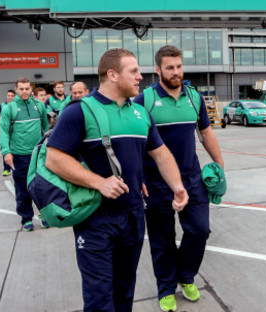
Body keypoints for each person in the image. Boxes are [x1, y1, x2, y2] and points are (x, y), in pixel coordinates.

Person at [46, 48, 189, 312]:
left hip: (133, 216)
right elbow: (53, 159)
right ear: (112, 75)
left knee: (124, 292)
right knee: (100, 300)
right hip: (95, 220)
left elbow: (160, 154)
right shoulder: (80, 111)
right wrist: (99, 182)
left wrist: (178, 187)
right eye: (133, 71)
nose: (140, 77)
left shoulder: (140, 114)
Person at [133, 45, 225, 312]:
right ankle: (165, 288)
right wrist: (137, 176)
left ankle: (186, 276)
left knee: (199, 230)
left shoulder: (194, 98)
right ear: (158, 69)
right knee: (162, 239)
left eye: (179, 66)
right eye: (170, 67)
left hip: (192, 177)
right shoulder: (145, 100)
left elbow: (206, 133)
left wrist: (219, 165)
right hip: (155, 183)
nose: (176, 72)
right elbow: (135, 142)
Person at [0, 78, 49, 231]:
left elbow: (45, 128)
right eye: (21, 89)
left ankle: (44, 215)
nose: (25, 92)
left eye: (27, 89)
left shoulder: (39, 106)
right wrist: (6, 152)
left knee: (42, 187)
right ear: (16, 90)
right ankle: (26, 218)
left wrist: (47, 147)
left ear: (31, 90)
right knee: (22, 189)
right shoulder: (9, 109)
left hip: (37, 154)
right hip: (18, 156)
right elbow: (3, 132)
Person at [0, 89, 16, 176]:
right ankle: (6, 168)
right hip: (5, 131)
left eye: (12, 96)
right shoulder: (2, 106)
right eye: (8, 95)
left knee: (14, 149)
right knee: (6, 149)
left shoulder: (16, 106)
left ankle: (14, 167)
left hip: (14, 132)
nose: (10, 97)